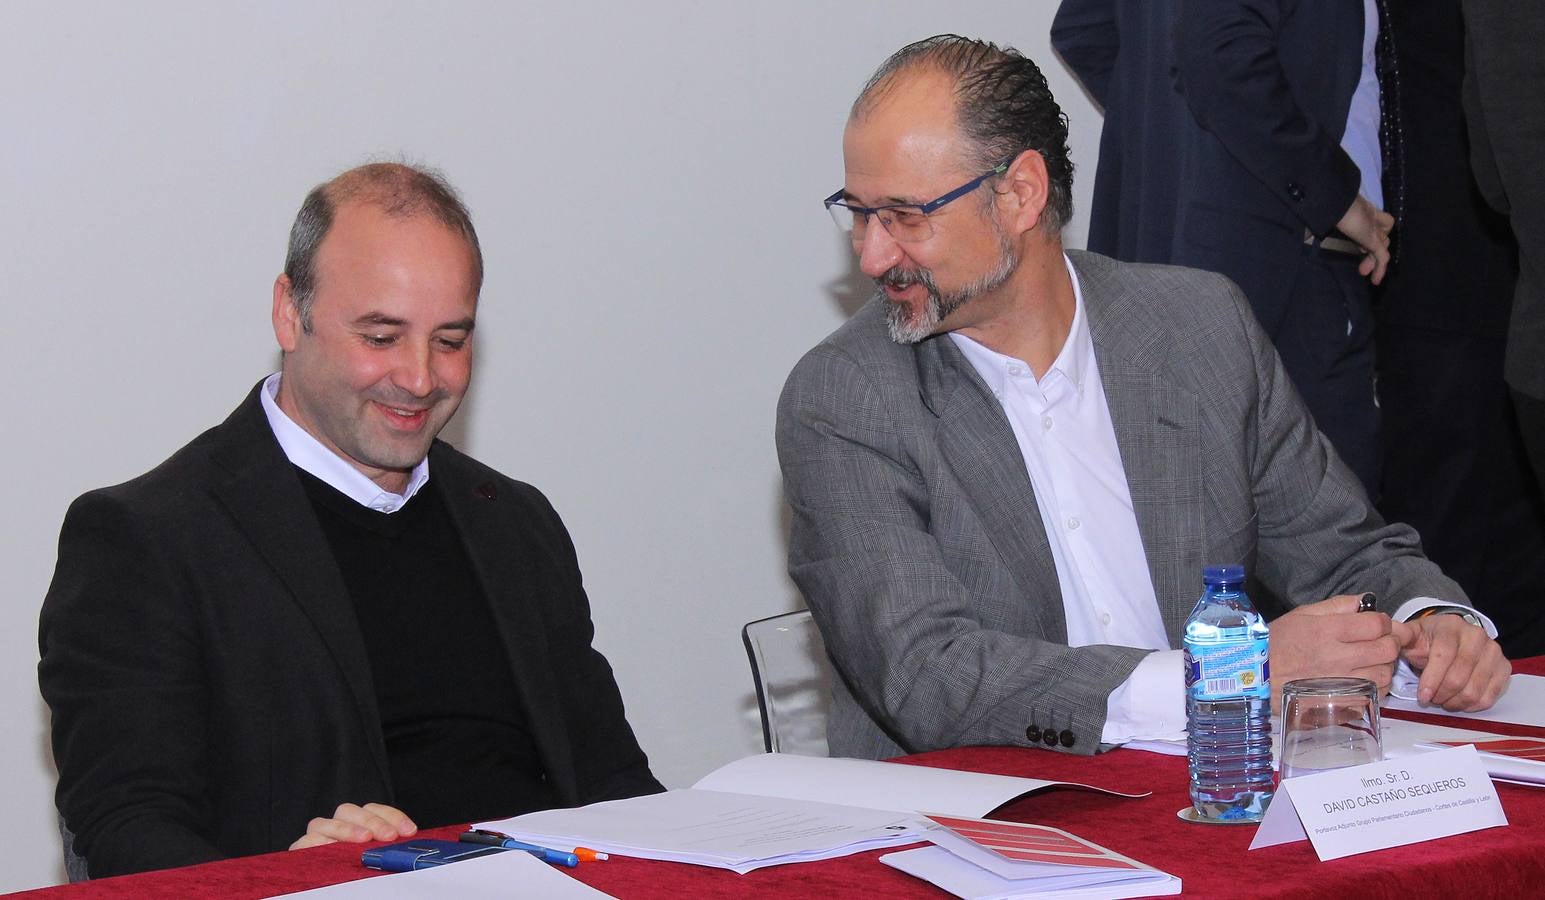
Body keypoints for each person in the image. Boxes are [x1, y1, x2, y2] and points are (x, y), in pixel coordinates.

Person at [776, 35, 1509, 761]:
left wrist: (1433, 621)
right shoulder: (844, 397)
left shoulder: (1199, 327)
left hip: (1216, 781)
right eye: (859, 213)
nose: (872, 254)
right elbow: (926, 677)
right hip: (981, 807)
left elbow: (1345, 552)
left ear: (1020, 193)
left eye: (904, 216)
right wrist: (1224, 675)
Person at [39, 163, 662, 879]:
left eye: (450, 341)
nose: (420, 378)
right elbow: (126, 829)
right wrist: (291, 880)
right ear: (289, 313)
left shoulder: (516, 524)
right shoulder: (146, 538)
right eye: (381, 336)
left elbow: (616, 784)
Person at [1051, 0, 1398, 494]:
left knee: (1198, 510)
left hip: (1192, 259)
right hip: (1284, 263)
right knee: (1328, 518)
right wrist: (1332, 195)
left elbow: (1085, 28)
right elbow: (1215, 51)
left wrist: (1182, 139)